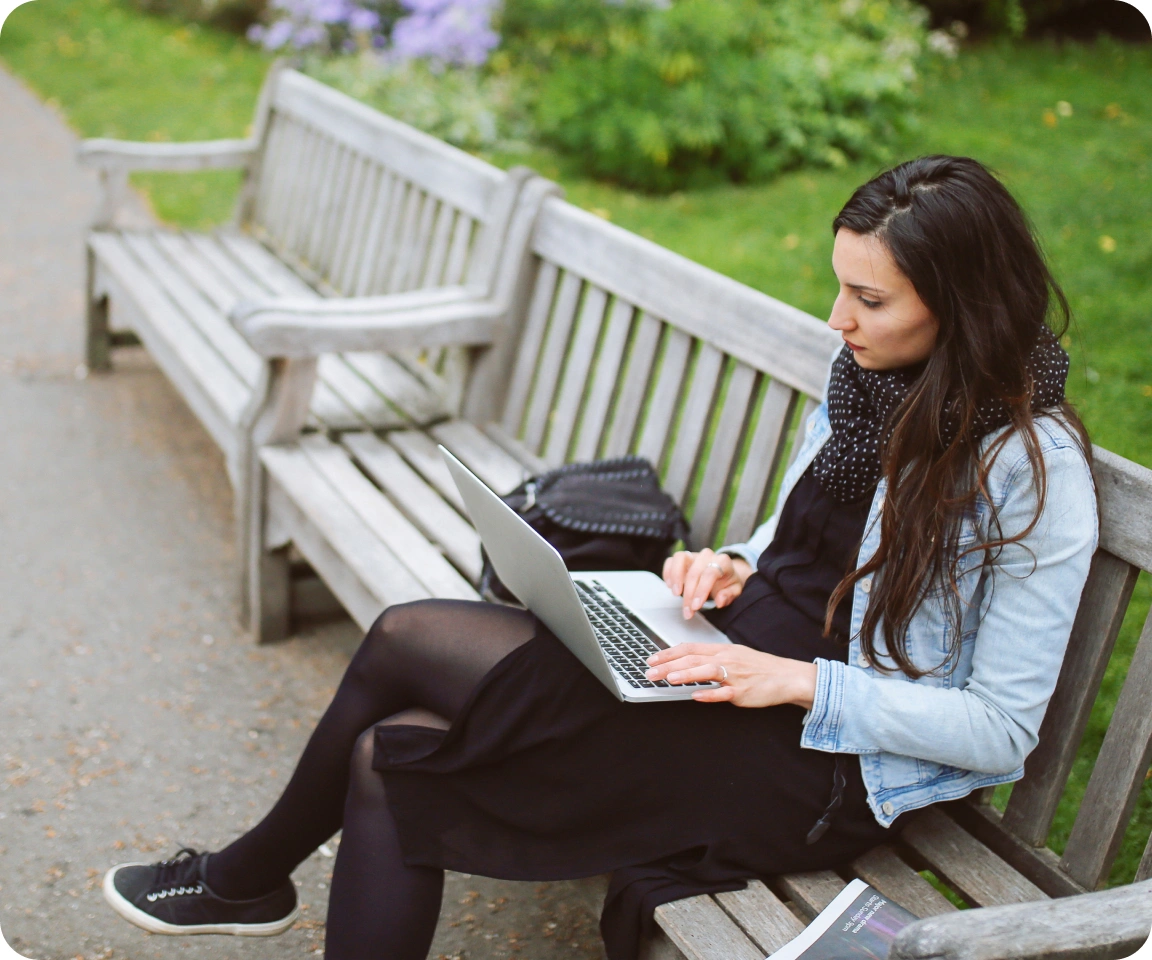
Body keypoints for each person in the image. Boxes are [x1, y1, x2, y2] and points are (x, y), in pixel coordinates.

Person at [101, 155, 1098, 960]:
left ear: (960, 303)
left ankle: (241, 881)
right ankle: (243, 880)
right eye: (840, 288)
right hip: (717, 659)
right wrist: (730, 566)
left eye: (867, 300)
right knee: (406, 644)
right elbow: (804, 542)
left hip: (818, 757)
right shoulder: (871, 378)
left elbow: (1002, 730)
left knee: (391, 755)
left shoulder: (1028, 471)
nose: (838, 321)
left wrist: (794, 681)